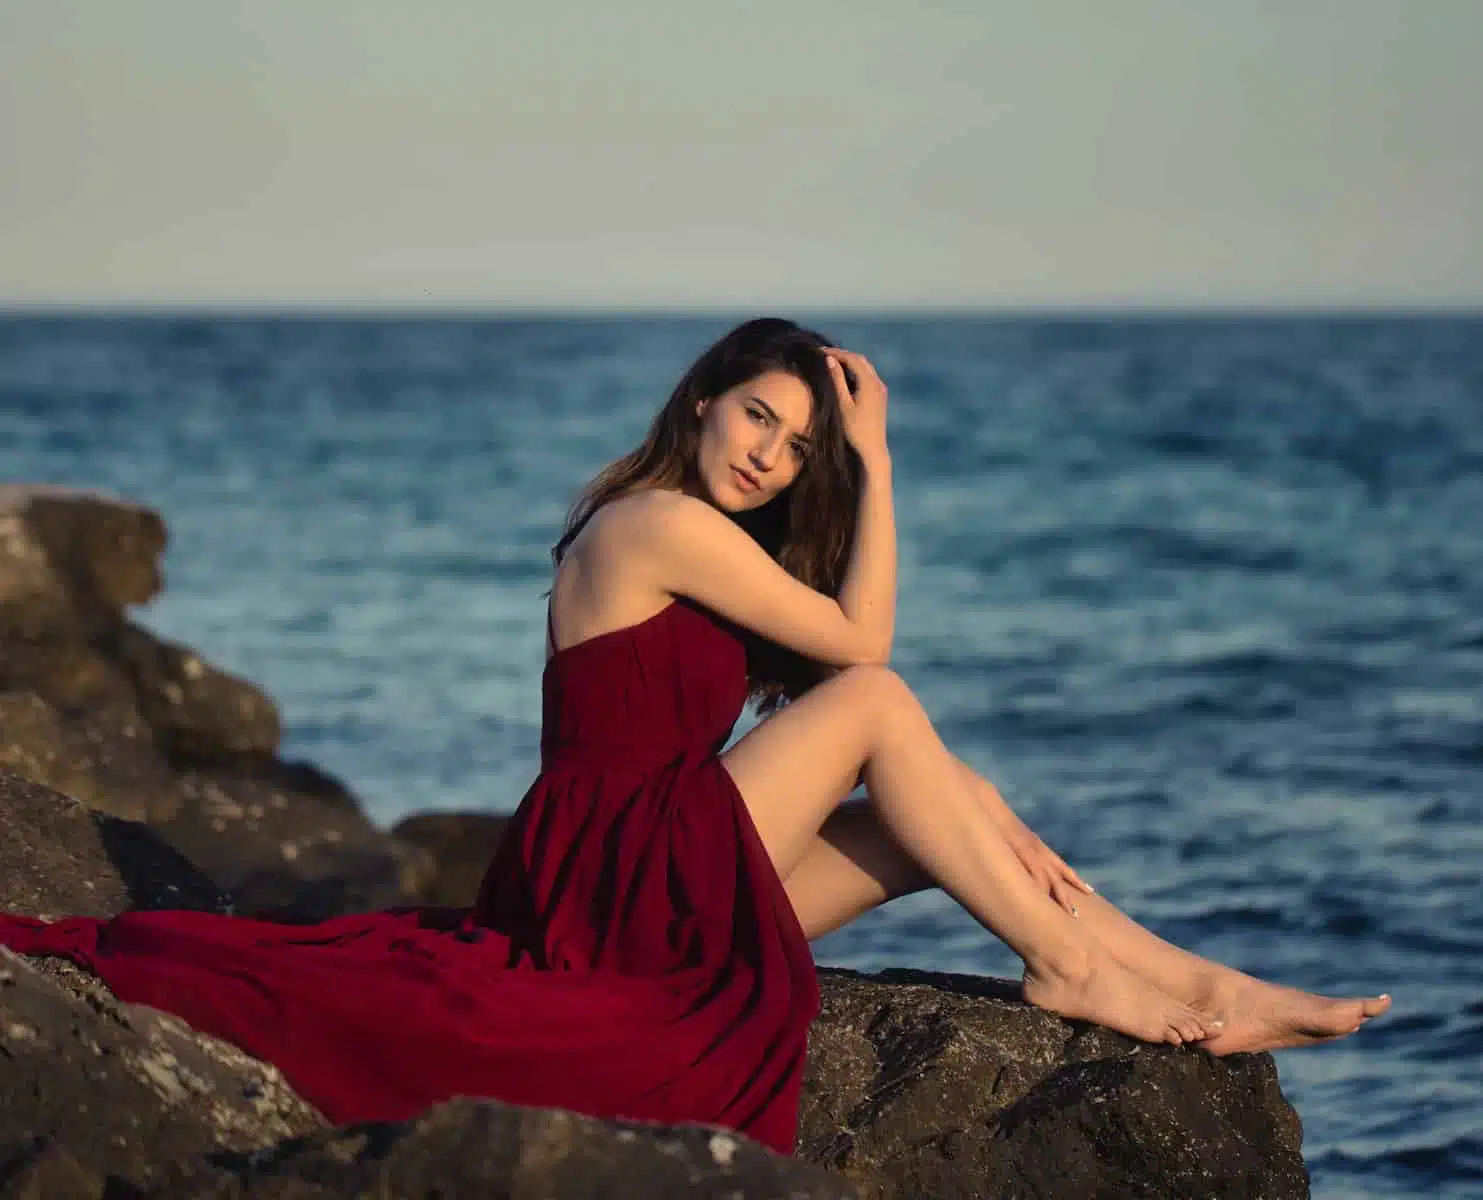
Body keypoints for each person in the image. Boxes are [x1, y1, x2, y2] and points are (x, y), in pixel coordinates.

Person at [0, 318, 1389, 1155]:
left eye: (798, 449)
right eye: (757, 422)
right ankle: (1091, 972)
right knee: (882, 709)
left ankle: (1176, 980)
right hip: (614, 864)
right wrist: (882, 461)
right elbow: (864, 661)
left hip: (653, 870)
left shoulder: (712, 546)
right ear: (702, 401)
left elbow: (853, 676)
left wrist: (987, 814)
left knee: (931, 798)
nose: (768, 458)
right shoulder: (654, 524)